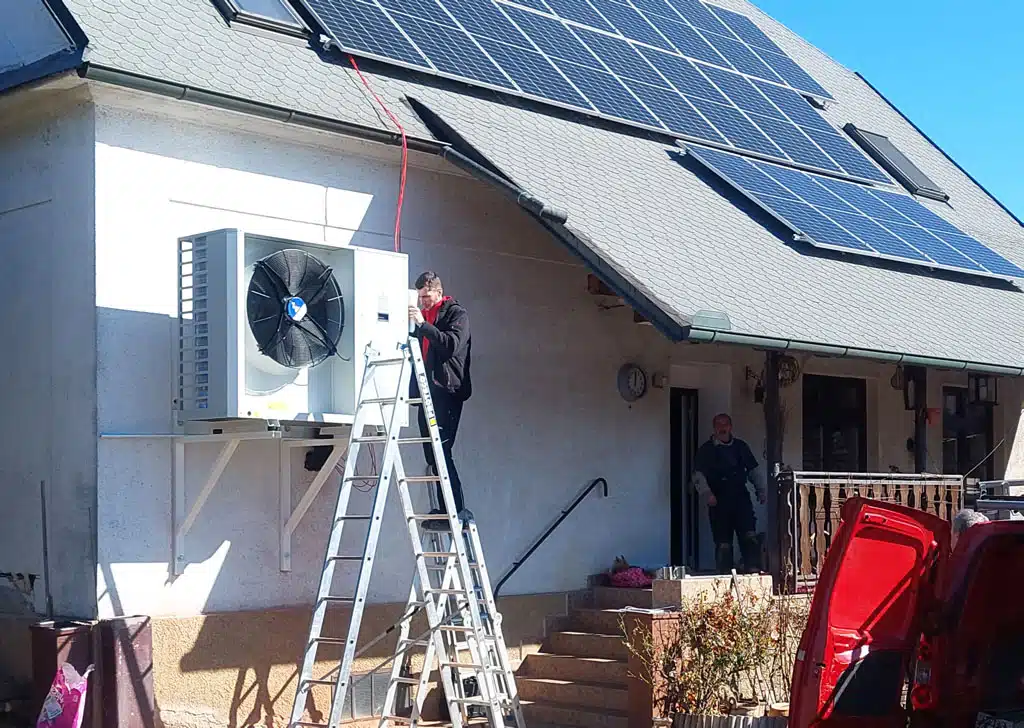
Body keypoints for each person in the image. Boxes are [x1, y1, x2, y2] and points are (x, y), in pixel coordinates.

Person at [408, 271, 473, 530]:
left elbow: (451, 345)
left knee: (442, 451)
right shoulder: (424, 317)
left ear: (438, 292)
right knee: (431, 453)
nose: (423, 302)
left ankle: (455, 510)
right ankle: (444, 509)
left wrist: (423, 324)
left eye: (426, 296)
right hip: (427, 392)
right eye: (420, 297)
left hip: (447, 392)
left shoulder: (456, 314)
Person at [693, 413, 766, 574]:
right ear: (714, 428)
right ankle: (725, 574)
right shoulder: (707, 450)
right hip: (719, 499)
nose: (722, 428)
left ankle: (752, 570)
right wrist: (707, 494)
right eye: (718, 424)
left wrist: (761, 490)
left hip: (740, 497)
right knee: (723, 542)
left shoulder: (741, 447)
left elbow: (753, 471)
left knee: (749, 534)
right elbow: (698, 475)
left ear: (730, 427)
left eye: (725, 424)